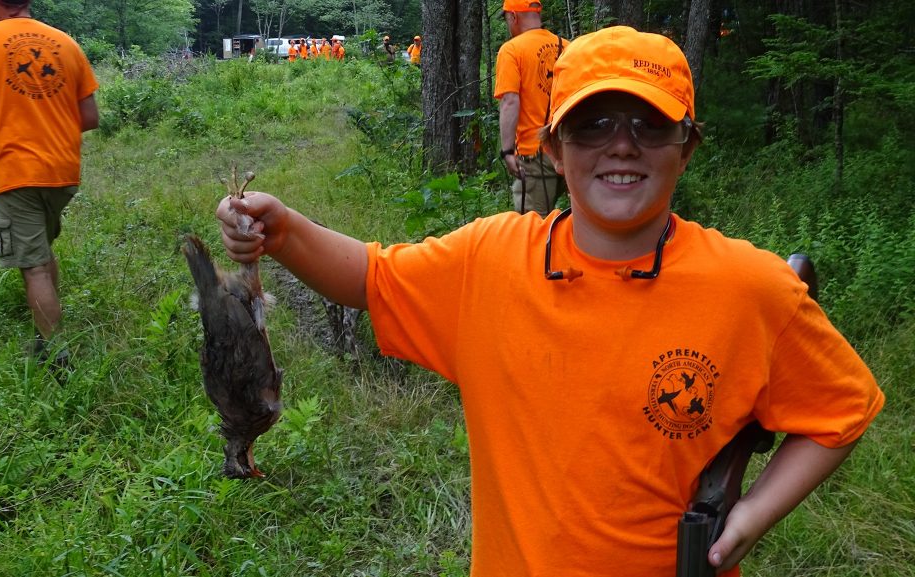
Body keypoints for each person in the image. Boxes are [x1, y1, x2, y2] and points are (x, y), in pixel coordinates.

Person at [215, 26, 884, 576]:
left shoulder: (750, 286)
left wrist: (751, 514)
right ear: (555, 149)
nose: (621, 144)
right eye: (592, 124)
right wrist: (284, 230)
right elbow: (369, 277)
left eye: (650, 124)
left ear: (687, 147)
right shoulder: (489, 261)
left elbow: (842, 410)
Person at [0, 0, 99, 368]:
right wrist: (50, 134)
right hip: (63, 171)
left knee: (33, 267)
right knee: (41, 252)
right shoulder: (66, 43)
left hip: (16, 172)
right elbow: (90, 117)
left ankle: (55, 356)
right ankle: (46, 331)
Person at [495, 0, 569, 216]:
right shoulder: (566, 47)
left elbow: (510, 101)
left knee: (531, 226)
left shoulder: (511, 50)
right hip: (569, 149)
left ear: (513, 17)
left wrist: (507, 151)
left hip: (534, 154)